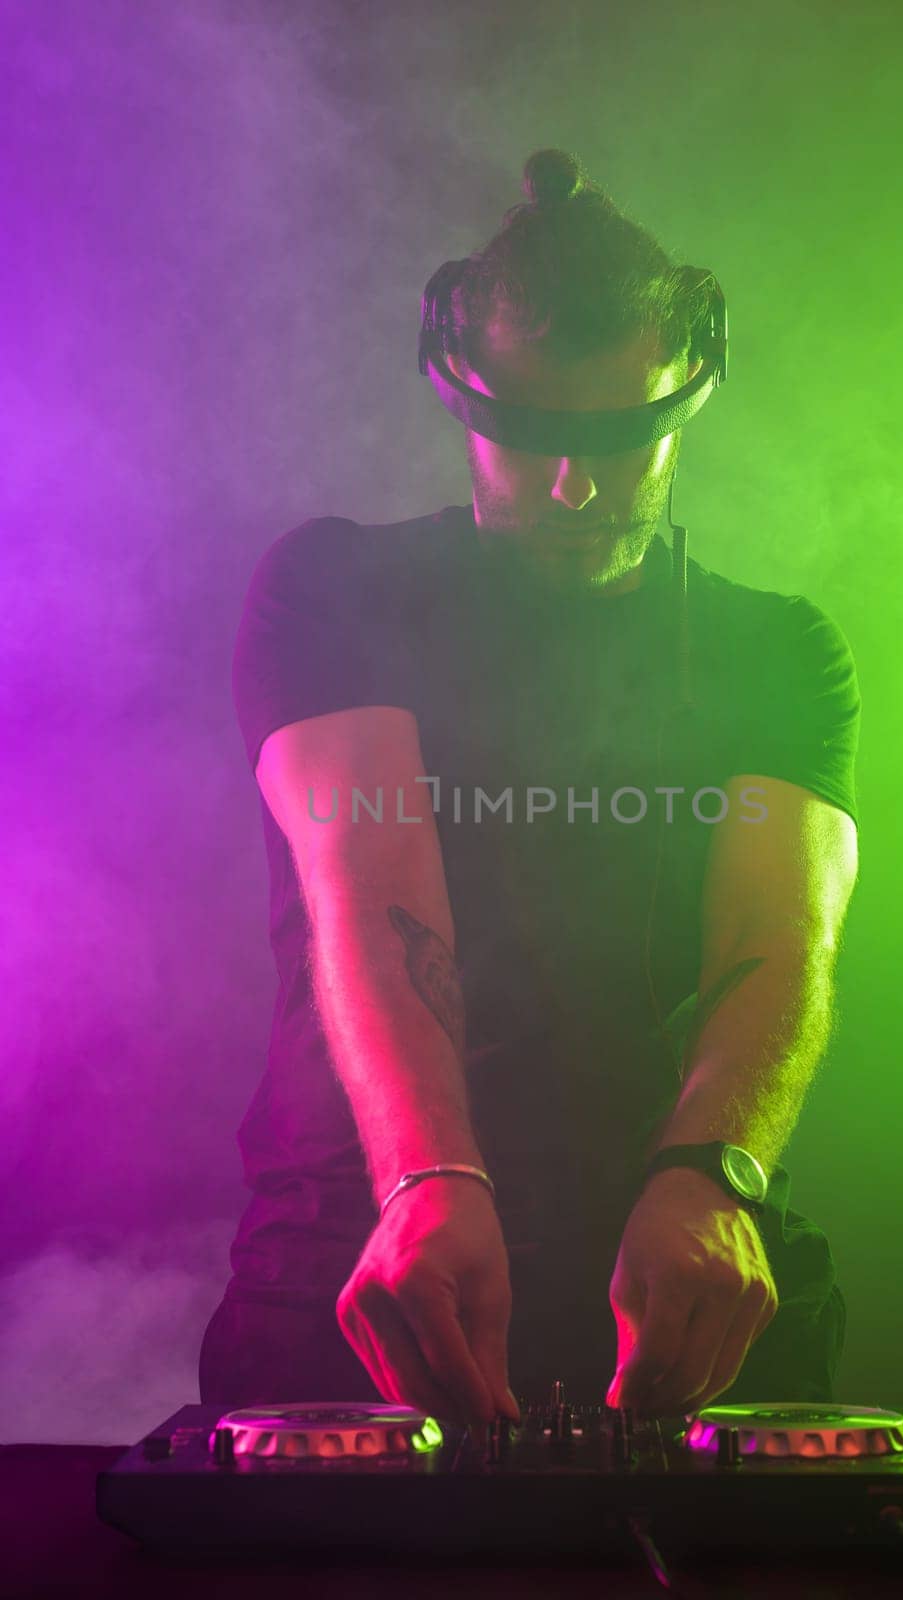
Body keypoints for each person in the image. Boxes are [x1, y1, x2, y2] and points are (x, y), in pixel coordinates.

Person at [199, 148, 861, 1426]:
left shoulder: (779, 649)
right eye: (530, 434)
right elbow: (369, 888)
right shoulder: (335, 590)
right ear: (456, 392)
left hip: (689, 1266)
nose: (576, 485)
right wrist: (429, 1177)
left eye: (624, 436)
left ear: (692, 392)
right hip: (363, 1258)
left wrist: (712, 1177)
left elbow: (780, 941)